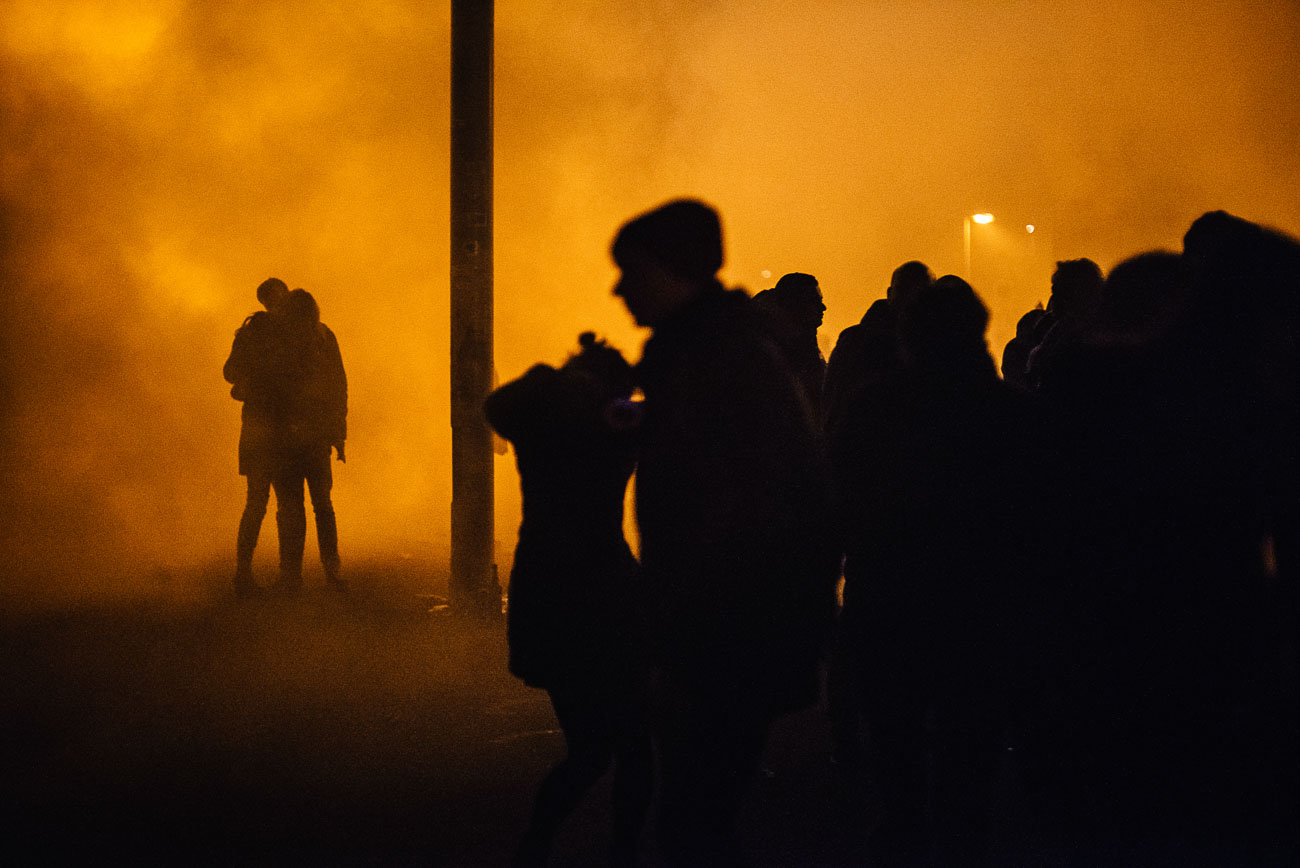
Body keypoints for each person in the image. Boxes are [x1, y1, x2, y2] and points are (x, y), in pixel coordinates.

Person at [611, 199, 839, 867]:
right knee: (700, 819)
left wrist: (680, 646)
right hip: (727, 636)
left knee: (695, 825)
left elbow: (730, 521)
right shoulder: (714, 355)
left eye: (632, 272)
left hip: (720, 641)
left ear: (676, 273)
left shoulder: (718, 364)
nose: (619, 288)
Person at [485, 332, 652, 868]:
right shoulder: (617, 424)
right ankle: (617, 853)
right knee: (631, 748)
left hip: (548, 592)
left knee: (591, 748)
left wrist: (549, 376)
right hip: (605, 594)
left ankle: (535, 847)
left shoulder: (538, 416)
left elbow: (497, 406)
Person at [267, 288, 347, 594]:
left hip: (285, 438)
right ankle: (332, 572)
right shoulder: (324, 338)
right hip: (315, 438)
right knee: (322, 506)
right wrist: (338, 434)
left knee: (290, 508)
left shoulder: (278, 342)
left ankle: (290, 575)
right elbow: (339, 386)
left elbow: (270, 389)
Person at [224, 277, 290, 598]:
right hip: (281, 429)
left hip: (261, 427)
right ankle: (286, 578)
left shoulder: (252, 332)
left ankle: (245, 575)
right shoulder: (296, 334)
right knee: (283, 504)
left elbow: (230, 373)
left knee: (258, 503)